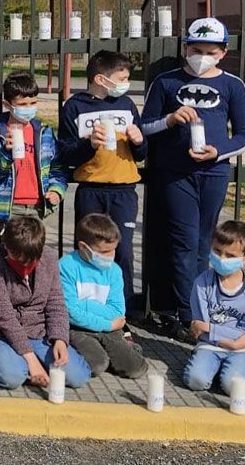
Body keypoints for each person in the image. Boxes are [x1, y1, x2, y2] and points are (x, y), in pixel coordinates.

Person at [140, 18, 245, 339]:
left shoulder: (232, 85)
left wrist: (218, 151)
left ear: (223, 52)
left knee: (205, 243)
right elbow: (144, 126)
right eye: (195, 49)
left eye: (209, 51)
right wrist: (171, 119)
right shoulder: (166, 82)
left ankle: (203, 309)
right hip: (175, 175)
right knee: (184, 242)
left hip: (214, 173)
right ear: (185, 47)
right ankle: (186, 314)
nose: (201, 56)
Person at [58, 50, 147, 316]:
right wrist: (89, 145)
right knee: (88, 249)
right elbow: (66, 152)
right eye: (122, 78)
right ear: (100, 78)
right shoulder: (74, 107)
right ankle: (84, 307)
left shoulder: (128, 105)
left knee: (123, 252)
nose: (126, 83)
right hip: (91, 190)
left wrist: (139, 141)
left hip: (124, 190)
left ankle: (123, 310)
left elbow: (142, 154)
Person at [0, 216, 91, 390]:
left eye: (29, 261)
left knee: (78, 377)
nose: (23, 265)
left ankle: (31, 367)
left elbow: (56, 303)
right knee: (11, 377)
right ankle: (17, 364)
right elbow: (2, 314)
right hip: (5, 334)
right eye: (17, 258)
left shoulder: (49, 257)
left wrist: (60, 340)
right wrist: (30, 358)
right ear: (7, 247)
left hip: (40, 333)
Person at [59, 214, 147, 379]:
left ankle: (124, 351)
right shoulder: (66, 266)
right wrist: (106, 323)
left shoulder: (114, 271)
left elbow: (117, 311)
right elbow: (70, 312)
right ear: (84, 247)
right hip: (78, 328)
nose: (110, 256)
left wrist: (83, 304)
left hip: (109, 326)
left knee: (136, 368)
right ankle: (109, 355)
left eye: (113, 250)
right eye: (104, 252)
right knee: (96, 364)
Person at [184, 220, 245, 395]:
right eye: (217, 251)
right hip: (211, 345)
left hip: (244, 348)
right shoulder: (202, 283)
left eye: (230, 255)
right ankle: (216, 368)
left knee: (233, 388)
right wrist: (227, 341)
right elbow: (199, 328)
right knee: (195, 380)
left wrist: (211, 328)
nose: (221, 259)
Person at [0, 72, 67, 227]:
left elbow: (57, 167)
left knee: (35, 249)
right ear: (7, 105)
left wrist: (56, 190)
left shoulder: (44, 132)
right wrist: (6, 153)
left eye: (33, 103)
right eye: (22, 105)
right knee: (10, 250)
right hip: (9, 207)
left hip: (38, 206)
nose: (29, 108)